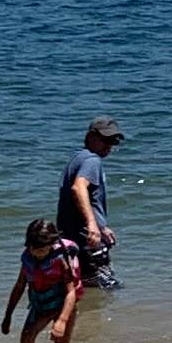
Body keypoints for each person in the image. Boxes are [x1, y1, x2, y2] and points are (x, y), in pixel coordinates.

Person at [54, 116, 124, 294]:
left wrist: (102, 227)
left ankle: (83, 320)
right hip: (86, 242)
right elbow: (78, 188)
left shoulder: (78, 157)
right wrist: (93, 225)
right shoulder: (92, 160)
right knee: (108, 289)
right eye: (106, 140)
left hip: (72, 239)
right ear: (91, 136)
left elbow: (84, 198)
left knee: (81, 288)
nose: (110, 145)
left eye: (114, 141)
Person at [0, 215, 82, 343]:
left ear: (52, 244)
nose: (36, 254)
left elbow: (71, 292)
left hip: (63, 305)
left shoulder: (61, 259)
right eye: (33, 249)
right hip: (41, 305)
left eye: (41, 250)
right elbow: (19, 286)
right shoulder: (28, 259)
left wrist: (62, 321)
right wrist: (8, 316)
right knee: (26, 341)